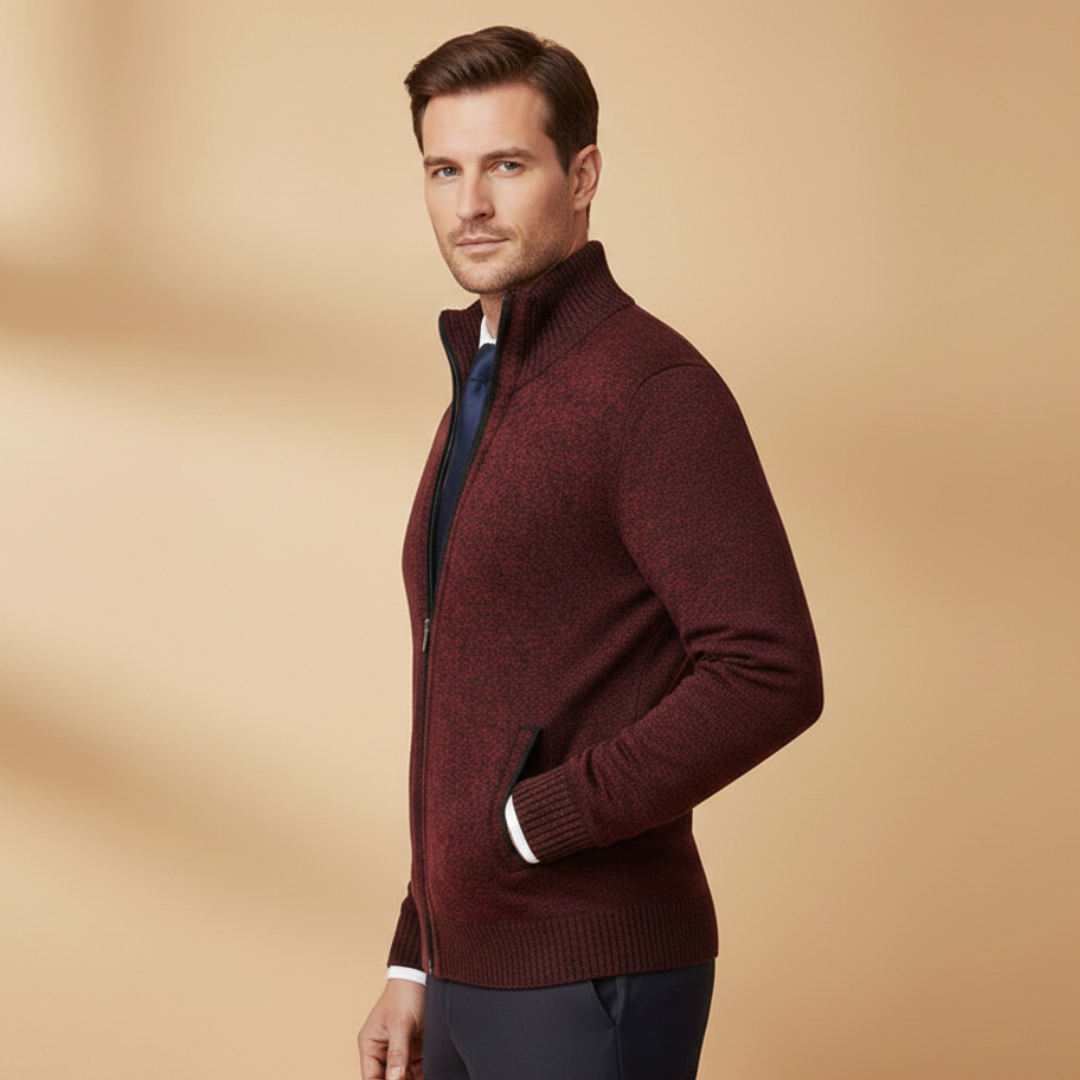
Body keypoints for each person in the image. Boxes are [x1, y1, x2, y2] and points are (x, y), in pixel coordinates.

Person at [357, 25, 823, 1080]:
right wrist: (416, 954)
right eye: (444, 170)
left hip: (587, 965)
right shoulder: (486, 386)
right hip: (469, 968)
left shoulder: (650, 392)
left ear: (582, 177)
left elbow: (770, 671)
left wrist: (537, 822)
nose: (471, 204)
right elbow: (471, 697)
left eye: (506, 165)